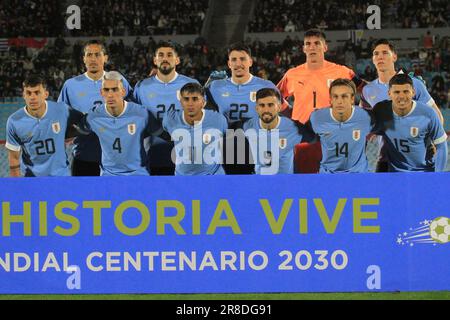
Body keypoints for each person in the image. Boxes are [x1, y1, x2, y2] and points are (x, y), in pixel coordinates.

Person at [277, 29, 360, 173]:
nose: (312, 47)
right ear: (303, 48)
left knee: (334, 184)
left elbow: (365, 90)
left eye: (317, 43)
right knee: (304, 182)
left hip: (334, 136)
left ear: (325, 47)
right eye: (308, 44)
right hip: (302, 137)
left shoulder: (341, 71)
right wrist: (289, 112)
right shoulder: (293, 74)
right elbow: (275, 96)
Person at [360, 38, 444, 172]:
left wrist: (432, 141)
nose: (380, 56)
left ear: (394, 56)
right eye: (376, 53)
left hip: (419, 158)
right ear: (372, 59)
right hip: (387, 158)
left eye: (385, 53)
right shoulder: (368, 91)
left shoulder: (413, 84)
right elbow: (363, 125)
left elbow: (437, 116)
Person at [58, 40, 132, 176]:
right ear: (83, 59)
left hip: (116, 157)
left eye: (97, 55)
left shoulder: (119, 81)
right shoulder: (70, 86)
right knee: (83, 197)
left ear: (106, 58)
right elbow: (60, 119)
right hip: (84, 156)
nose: (93, 59)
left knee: (117, 197)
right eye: (89, 55)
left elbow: (133, 112)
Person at [206, 43, 279, 174]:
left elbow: (280, 115)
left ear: (250, 61)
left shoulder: (266, 86)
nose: (238, 63)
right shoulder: (216, 87)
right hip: (227, 146)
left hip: (258, 144)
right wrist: (206, 85)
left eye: (242, 59)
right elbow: (198, 105)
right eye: (234, 59)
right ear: (229, 64)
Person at [133, 41, 200, 175]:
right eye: (161, 55)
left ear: (177, 60)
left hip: (186, 155)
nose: (165, 58)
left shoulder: (191, 84)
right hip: (152, 154)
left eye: (169, 55)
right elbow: (135, 117)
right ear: (155, 60)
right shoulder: (141, 87)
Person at [80, 71, 162, 176]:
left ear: (123, 92)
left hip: (138, 174)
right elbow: (78, 130)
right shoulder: (94, 116)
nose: (110, 94)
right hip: (108, 175)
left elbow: (160, 132)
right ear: (101, 93)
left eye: (115, 89)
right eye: (106, 90)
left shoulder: (141, 113)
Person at [6, 75, 82, 177]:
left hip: (61, 177)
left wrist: (72, 133)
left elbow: (84, 122)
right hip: (31, 179)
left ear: (46, 94)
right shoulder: (14, 121)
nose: (32, 97)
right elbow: (14, 158)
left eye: (37, 92)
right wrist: (16, 186)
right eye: (28, 93)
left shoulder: (62, 109)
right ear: (24, 95)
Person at [372, 74, 447, 172]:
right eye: (397, 92)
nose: (401, 96)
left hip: (424, 172)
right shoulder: (381, 110)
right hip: (395, 174)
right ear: (389, 93)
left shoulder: (428, 114)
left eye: (406, 91)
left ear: (413, 92)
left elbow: (441, 145)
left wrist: (438, 176)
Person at [244, 88, 314, 174]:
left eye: (270, 105)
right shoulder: (247, 126)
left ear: (279, 107)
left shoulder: (294, 128)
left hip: (285, 184)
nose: (266, 110)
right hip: (259, 183)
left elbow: (314, 138)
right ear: (256, 108)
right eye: (262, 105)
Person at [162, 83, 228, 175]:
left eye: (195, 99)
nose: (190, 104)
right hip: (182, 178)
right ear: (180, 102)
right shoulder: (171, 119)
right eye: (186, 99)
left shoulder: (218, 119)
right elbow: (164, 133)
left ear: (203, 102)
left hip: (213, 177)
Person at [310, 79, 372, 173]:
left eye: (344, 96)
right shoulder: (318, 118)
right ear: (330, 99)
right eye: (335, 96)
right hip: (328, 176)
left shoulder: (366, 117)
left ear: (352, 99)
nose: (339, 101)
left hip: (358, 176)